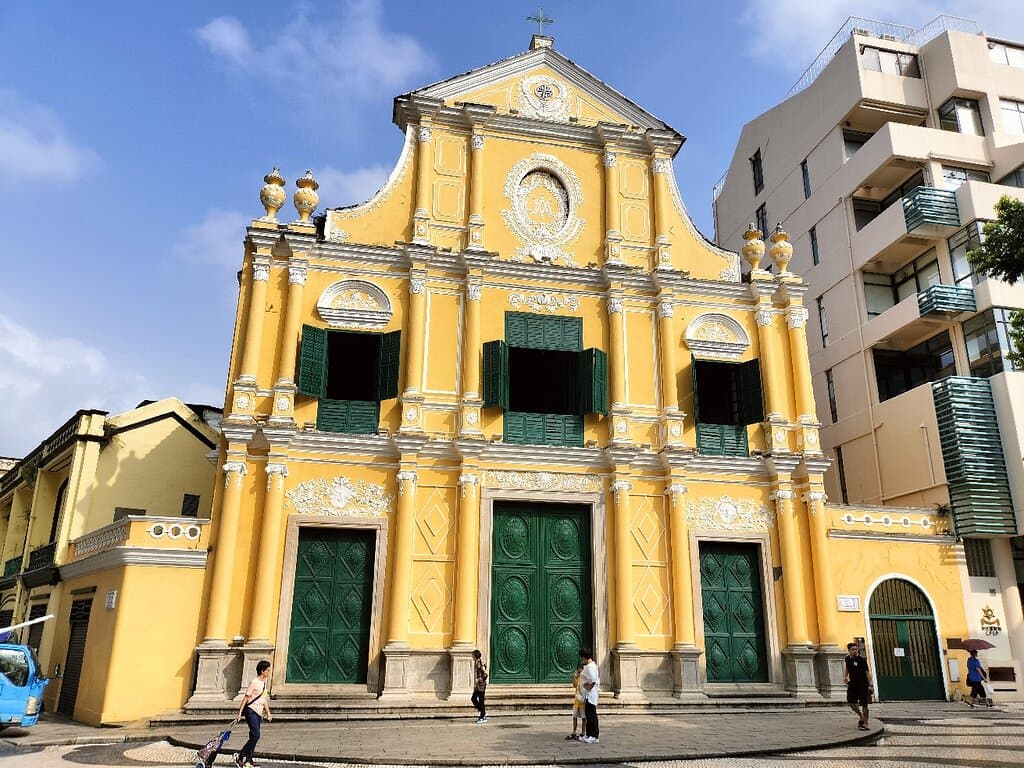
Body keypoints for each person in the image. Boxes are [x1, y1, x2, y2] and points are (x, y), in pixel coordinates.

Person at [235, 660, 272, 768]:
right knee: (256, 735)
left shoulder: (263, 683)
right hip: (250, 710)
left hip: (258, 712)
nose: (269, 672)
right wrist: (240, 713)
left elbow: (263, 698)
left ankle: (249, 760)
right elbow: (246, 698)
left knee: (253, 735)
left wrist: (268, 712)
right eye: (268, 670)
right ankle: (241, 755)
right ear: (262, 671)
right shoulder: (254, 682)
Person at [843, 642, 872, 731]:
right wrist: (845, 676)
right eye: (853, 649)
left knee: (864, 705)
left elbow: (867, 673)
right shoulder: (847, 659)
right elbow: (847, 668)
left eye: (856, 649)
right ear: (849, 651)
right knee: (851, 702)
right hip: (852, 684)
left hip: (863, 685)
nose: (855, 651)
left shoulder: (861, 660)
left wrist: (870, 685)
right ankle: (861, 716)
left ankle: (866, 723)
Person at [578, 648, 600, 744]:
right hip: (588, 695)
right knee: (589, 714)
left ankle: (594, 736)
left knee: (591, 715)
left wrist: (588, 686)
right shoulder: (591, 665)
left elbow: (594, 679)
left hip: (590, 695)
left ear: (584, 657)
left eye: (582, 657)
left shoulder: (590, 667)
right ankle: (589, 734)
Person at [565, 662, 586, 741]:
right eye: (579, 670)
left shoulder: (584, 677)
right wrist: (575, 677)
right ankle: (574, 731)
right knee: (575, 716)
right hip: (577, 700)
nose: (579, 671)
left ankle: (583, 732)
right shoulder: (577, 677)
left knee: (584, 717)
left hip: (583, 700)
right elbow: (574, 685)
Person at [472, 649, 488, 723]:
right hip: (478, 686)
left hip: (481, 686)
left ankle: (482, 717)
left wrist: (479, 680)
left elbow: (485, 674)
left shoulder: (480, 664)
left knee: (480, 700)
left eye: (473, 655)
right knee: (474, 699)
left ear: (475, 656)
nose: (472, 657)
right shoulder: (476, 663)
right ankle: (483, 712)